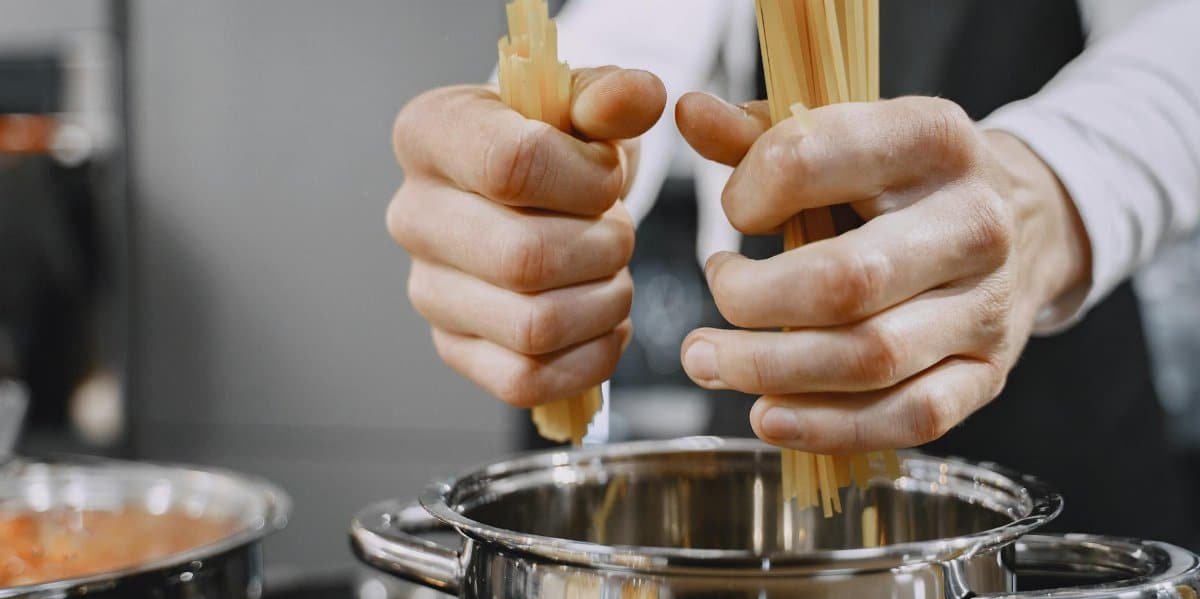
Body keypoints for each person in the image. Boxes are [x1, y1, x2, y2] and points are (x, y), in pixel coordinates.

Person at [387, 0, 1199, 552]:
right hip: (763, 396)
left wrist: (1042, 193)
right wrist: (533, 151)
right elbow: (638, 25)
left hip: (1063, 423)